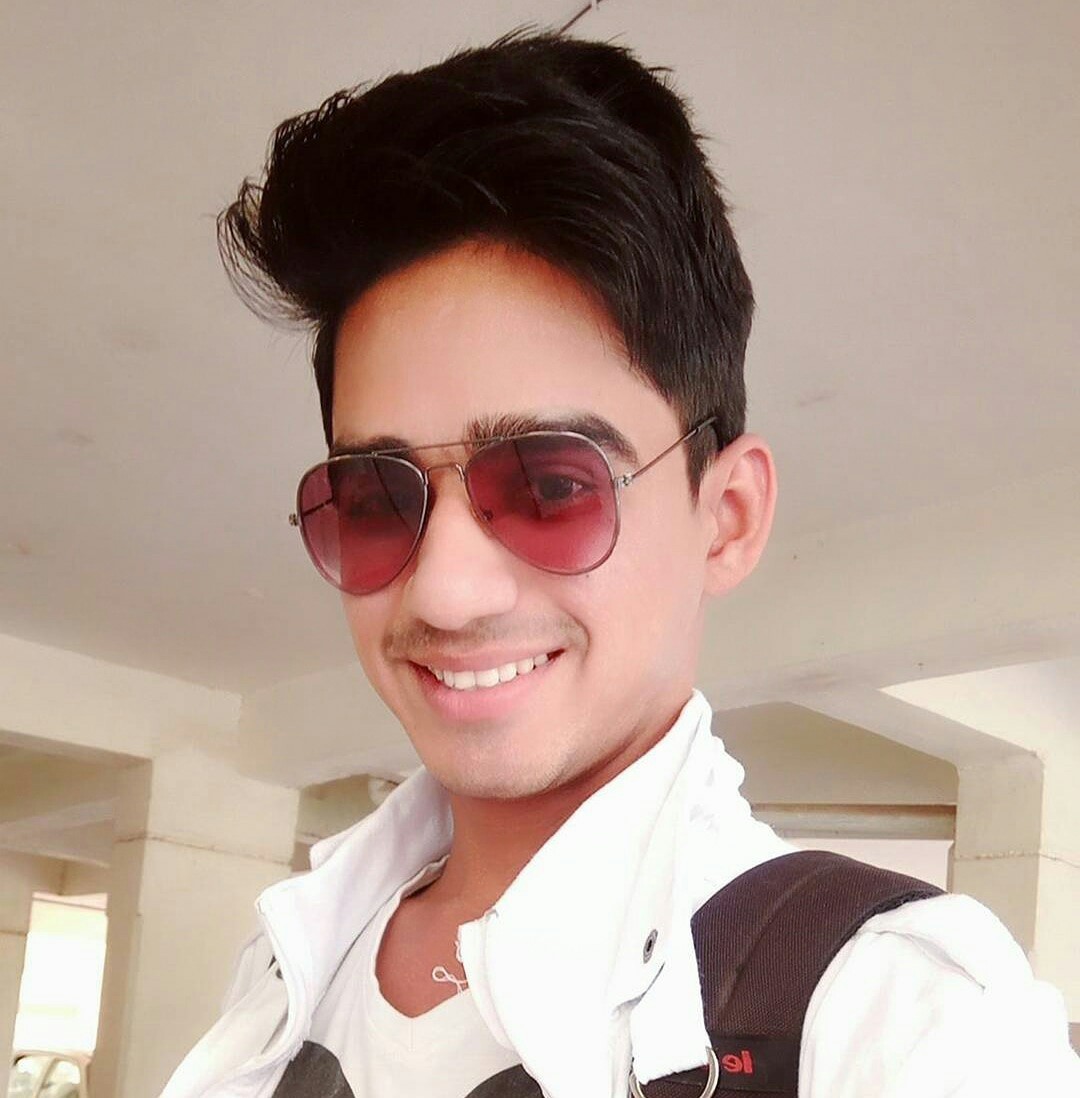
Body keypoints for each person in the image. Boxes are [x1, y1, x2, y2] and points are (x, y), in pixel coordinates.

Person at [160, 28, 1079, 1098]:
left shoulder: (894, 1018)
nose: (445, 589)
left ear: (726, 517)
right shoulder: (287, 964)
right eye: (376, 499)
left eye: (552, 487)